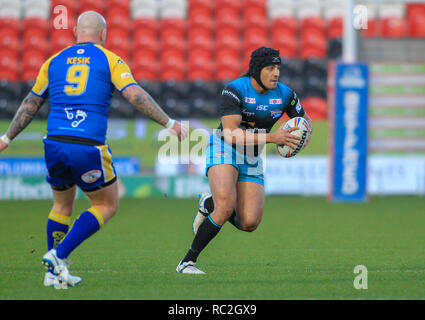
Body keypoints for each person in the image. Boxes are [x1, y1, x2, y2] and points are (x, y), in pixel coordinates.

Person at [0, 11, 188, 288]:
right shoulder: (110, 59)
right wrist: (168, 122)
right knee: (107, 204)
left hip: (54, 143)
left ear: (76, 31)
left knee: (61, 205)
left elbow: (31, 103)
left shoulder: (52, 61)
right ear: (104, 33)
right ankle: (57, 255)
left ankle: (54, 274)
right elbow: (134, 94)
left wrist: (6, 138)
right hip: (87, 145)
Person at [176, 47, 313, 274]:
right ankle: (187, 262)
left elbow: (304, 120)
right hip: (224, 148)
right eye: (270, 68)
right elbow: (230, 133)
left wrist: (303, 135)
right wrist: (273, 137)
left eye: (278, 68)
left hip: (252, 155)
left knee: (249, 222)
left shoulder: (286, 94)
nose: (276, 73)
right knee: (225, 207)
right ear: (257, 69)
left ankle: (207, 203)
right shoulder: (235, 89)